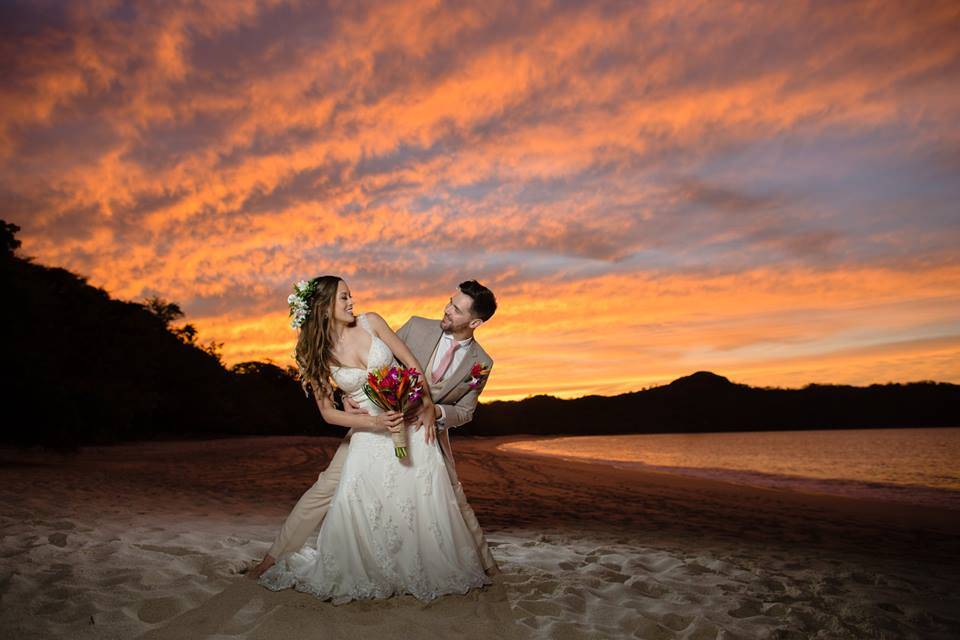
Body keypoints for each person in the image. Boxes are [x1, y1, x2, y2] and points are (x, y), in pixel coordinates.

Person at [253, 276, 496, 602]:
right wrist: (351, 402)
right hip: (369, 426)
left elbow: (464, 411)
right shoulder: (417, 326)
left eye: (456, 308)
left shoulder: (481, 362)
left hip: (424, 429)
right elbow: (384, 365)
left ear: (474, 321)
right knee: (326, 488)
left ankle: (485, 564)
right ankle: (272, 557)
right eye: (450, 302)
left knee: (450, 497)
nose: (447, 308)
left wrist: (432, 410)